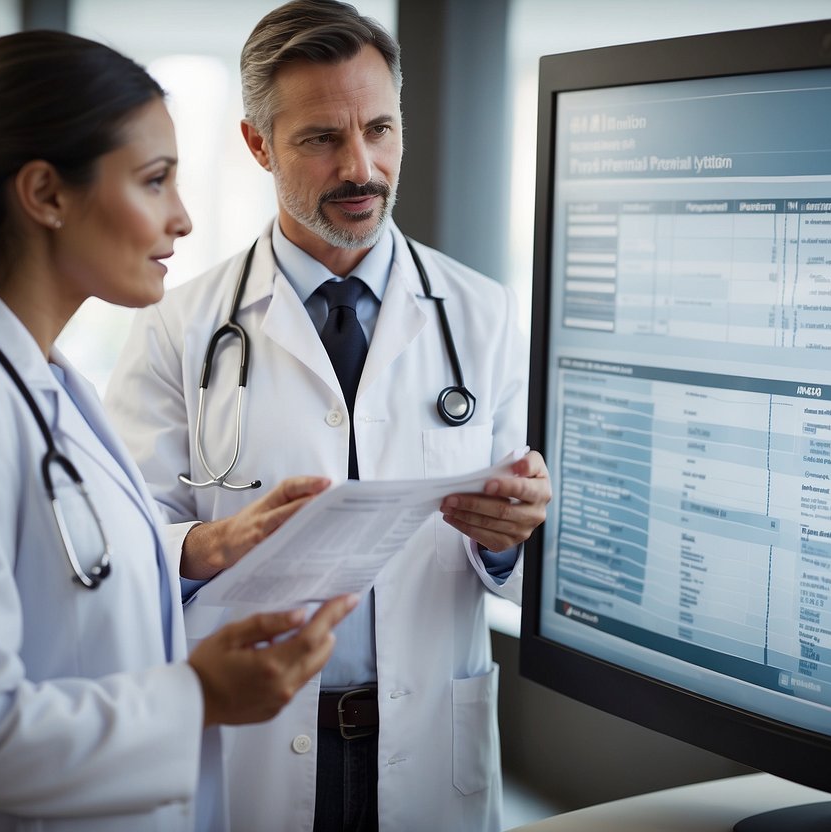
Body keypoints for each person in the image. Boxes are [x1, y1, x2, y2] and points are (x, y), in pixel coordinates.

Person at [0, 30, 357, 832]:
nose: (182, 219)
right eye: (154, 182)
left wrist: (200, 550)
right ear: (45, 194)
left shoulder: (42, 379)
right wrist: (200, 694)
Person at [102, 1, 553, 830]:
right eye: (321, 139)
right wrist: (210, 545)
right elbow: (123, 551)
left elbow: (532, 563)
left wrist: (507, 538)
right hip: (255, 741)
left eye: (380, 129)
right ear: (257, 144)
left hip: (425, 740)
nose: (362, 166)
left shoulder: (480, 315)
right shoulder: (179, 327)